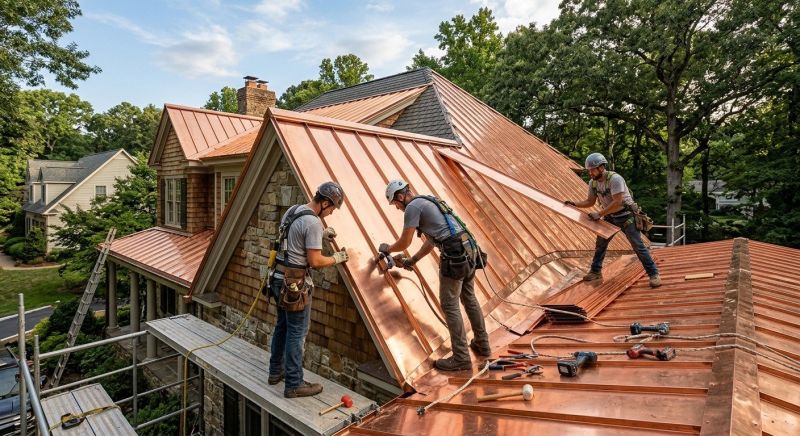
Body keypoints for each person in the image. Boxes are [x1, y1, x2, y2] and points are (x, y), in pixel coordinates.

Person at [378, 179, 491, 371]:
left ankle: (461, 358)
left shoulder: (412, 207)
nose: (397, 208)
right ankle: (482, 343)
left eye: (395, 204)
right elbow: (431, 241)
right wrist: (412, 261)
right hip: (469, 250)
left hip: (455, 255)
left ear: (400, 196)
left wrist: (387, 248)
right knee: (469, 298)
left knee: (449, 305)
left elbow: (404, 242)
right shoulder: (427, 201)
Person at [266, 181, 349, 398]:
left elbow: (293, 238)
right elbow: (314, 261)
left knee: (282, 326)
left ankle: (276, 372)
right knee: (297, 332)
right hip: (294, 284)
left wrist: (320, 235)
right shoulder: (312, 222)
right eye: (331, 208)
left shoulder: (294, 211)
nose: (330, 213)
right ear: (323, 202)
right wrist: (336, 258)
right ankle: (294, 383)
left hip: (277, 278)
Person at [564, 153, 661, 288]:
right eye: (589, 170)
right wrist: (574, 204)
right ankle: (596, 271)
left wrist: (599, 213)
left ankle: (653, 274)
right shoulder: (593, 183)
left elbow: (618, 203)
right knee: (600, 245)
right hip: (610, 216)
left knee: (638, 246)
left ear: (602, 167)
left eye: (593, 169)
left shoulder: (615, 179)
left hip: (627, 216)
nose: (590, 172)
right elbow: (589, 201)